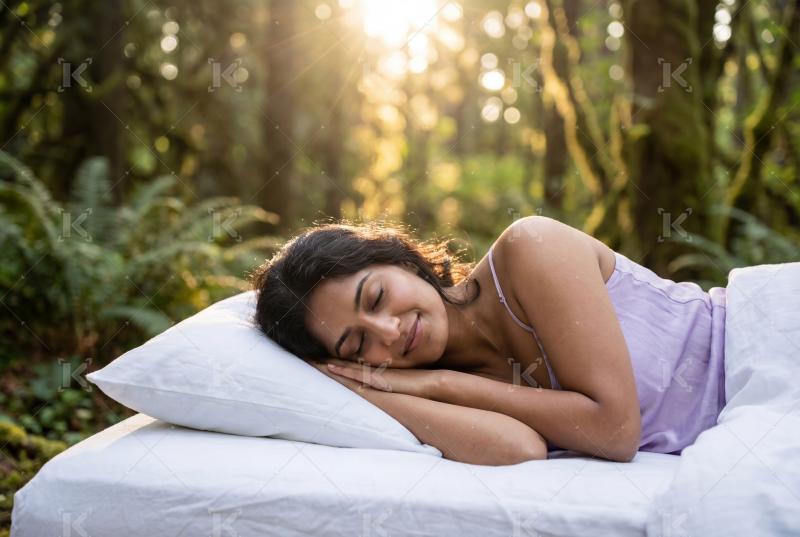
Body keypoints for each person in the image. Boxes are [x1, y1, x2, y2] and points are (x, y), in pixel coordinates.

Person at [248, 217, 727, 466]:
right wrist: (359, 390)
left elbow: (615, 432)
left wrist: (439, 387)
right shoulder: (435, 381)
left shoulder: (530, 250)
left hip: (758, 353)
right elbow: (520, 449)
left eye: (376, 297)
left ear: (399, 260)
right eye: (357, 346)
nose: (390, 332)